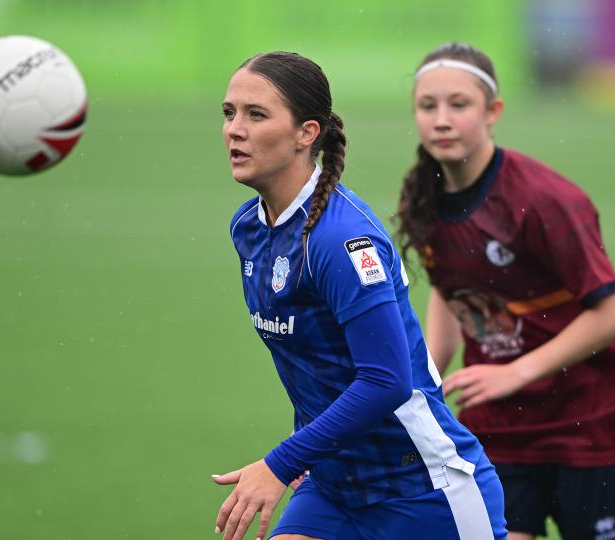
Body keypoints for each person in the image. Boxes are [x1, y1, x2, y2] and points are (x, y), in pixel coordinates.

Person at [213, 51, 508, 540]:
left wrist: (280, 464)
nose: (234, 130)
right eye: (229, 113)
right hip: (333, 487)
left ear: (307, 133)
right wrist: (309, 455)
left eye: (256, 114)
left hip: (424, 493)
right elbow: (315, 366)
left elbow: (387, 380)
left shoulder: (342, 240)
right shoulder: (248, 227)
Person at [394, 42, 615, 540]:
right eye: (427, 105)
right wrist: (417, 393)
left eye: (458, 105)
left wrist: (515, 372)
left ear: (492, 112)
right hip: (497, 433)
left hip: (589, 428)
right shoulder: (427, 198)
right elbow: (450, 299)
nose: (441, 119)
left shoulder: (543, 199)